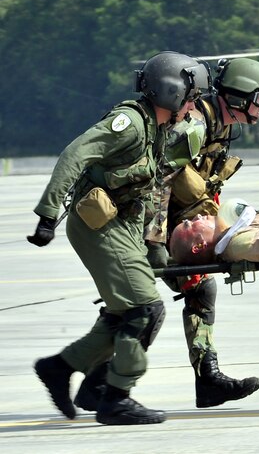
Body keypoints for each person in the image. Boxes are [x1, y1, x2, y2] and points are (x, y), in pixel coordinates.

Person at [73, 58, 259, 411]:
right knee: (139, 306)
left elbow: (203, 186)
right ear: (240, 96)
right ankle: (102, 383)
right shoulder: (193, 126)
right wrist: (153, 241)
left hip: (173, 222)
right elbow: (158, 181)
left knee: (185, 292)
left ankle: (202, 379)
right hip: (141, 221)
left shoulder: (222, 128)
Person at [28, 51, 210, 425]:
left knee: (121, 316)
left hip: (123, 226)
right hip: (98, 226)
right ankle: (115, 398)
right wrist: (47, 214)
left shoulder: (157, 129)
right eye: (191, 98)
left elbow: (148, 190)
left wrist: (153, 249)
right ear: (172, 93)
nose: (193, 107)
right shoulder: (128, 123)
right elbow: (74, 155)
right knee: (144, 310)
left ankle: (59, 368)